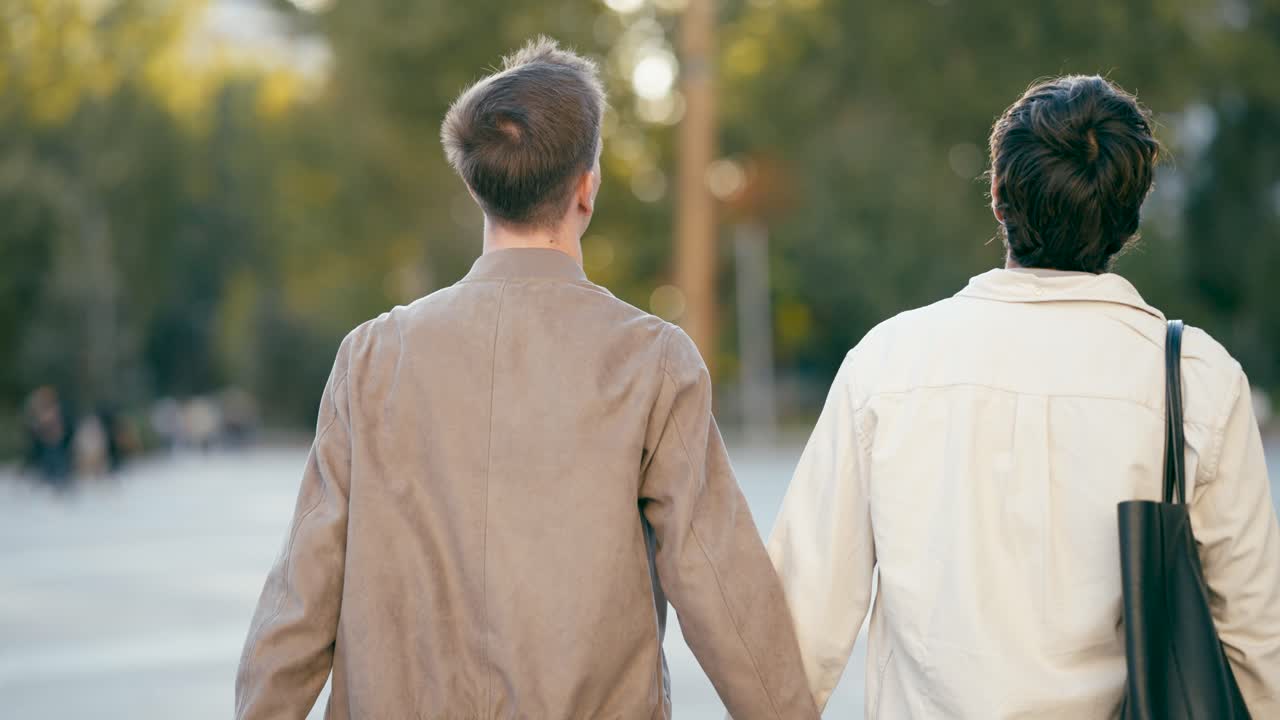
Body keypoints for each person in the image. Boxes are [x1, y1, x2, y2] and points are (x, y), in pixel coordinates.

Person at [235, 37, 818, 720]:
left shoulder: (372, 357)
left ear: (478, 186)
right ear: (586, 188)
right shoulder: (652, 361)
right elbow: (720, 583)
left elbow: (304, 587)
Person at [768, 75, 1280, 718]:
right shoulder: (1195, 377)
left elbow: (798, 626)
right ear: (1131, 212)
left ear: (998, 197)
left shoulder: (890, 360)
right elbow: (1256, 637)